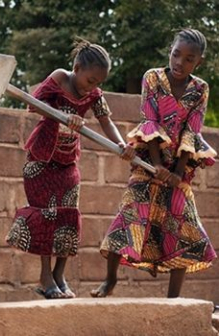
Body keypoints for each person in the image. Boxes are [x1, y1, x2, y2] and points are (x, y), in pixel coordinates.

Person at [91, 28, 217, 299]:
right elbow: (150, 120)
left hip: (178, 168)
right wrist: (157, 165)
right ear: (170, 50)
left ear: (199, 62)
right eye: (176, 54)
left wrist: (177, 172)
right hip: (148, 161)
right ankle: (110, 280)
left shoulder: (200, 90)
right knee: (129, 215)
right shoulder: (153, 78)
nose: (180, 63)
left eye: (189, 59)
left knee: (184, 226)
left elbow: (191, 132)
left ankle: (173, 299)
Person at [6, 39, 135, 299]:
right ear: (76, 68)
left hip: (68, 161)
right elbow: (33, 104)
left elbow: (106, 123)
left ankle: (58, 275)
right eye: (90, 80)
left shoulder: (94, 94)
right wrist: (63, 115)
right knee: (46, 214)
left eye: (99, 82)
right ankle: (45, 277)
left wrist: (122, 145)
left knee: (69, 214)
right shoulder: (59, 78)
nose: (93, 87)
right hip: (41, 158)